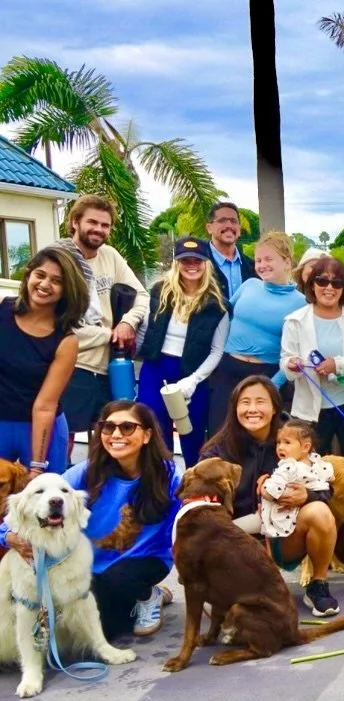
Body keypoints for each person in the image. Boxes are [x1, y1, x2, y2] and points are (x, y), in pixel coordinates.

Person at [1, 401, 180, 638]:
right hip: (87, 565)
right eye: (107, 427)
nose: (116, 435)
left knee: (107, 615)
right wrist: (8, 535)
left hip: (143, 562)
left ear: (147, 435)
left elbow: (183, 527)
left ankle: (148, 595)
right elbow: (33, 501)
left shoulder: (170, 476)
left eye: (127, 427)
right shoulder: (86, 471)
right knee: (72, 628)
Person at [199, 375, 343, 616]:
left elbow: (327, 489)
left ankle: (318, 584)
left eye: (260, 402)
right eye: (245, 403)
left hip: (282, 534)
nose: (252, 409)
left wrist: (307, 496)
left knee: (320, 511)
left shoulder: (294, 438)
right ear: (234, 407)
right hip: (236, 540)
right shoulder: (217, 451)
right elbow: (200, 507)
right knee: (226, 612)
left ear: (275, 406)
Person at [60, 195, 150, 446]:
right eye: (92, 222)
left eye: (105, 225)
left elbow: (142, 295)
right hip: (74, 365)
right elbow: (60, 325)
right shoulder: (60, 260)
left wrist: (127, 323)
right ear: (75, 222)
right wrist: (109, 335)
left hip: (110, 366)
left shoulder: (109, 256)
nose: (99, 229)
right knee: (64, 438)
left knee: (109, 439)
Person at [135, 236, 229, 466]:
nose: (191, 265)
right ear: (176, 263)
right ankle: (160, 484)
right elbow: (145, 330)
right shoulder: (159, 292)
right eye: (185, 260)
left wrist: (193, 381)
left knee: (191, 433)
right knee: (154, 429)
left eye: (197, 260)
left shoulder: (217, 305)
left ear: (206, 263)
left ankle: (192, 487)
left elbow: (216, 351)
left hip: (192, 374)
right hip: (156, 370)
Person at [206, 231, 306, 436]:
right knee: (219, 433)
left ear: (287, 262)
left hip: (266, 374)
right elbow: (223, 317)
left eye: (269, 259)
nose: (262, 265)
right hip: (228, 370)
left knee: (257, 438)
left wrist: (272, 385)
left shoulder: (301, 303)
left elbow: (297, 352)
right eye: (259, 260)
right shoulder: (249, 285)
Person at [281, 256, 344, 456]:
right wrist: (291, 364)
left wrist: (337, 364)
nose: (329, 287)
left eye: (337, 282)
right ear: (312, 285)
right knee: (310, 468)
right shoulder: (295, 321)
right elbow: (286, 360)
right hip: (312, 412)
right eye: (322, 281)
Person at [0, 247, 88, 475]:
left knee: (42, 503)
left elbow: (45, 405)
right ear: (28, 275)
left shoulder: (66, 340)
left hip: (42, 428)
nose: (45, 284)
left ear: (67, 290)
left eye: (57, 281)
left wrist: (37, 465)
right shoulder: (2, 310)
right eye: (40, 275)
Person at [259, 419, 334, 540]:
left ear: (305, 447)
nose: (280, 447)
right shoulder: (320, 465)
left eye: (287, 442)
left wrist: (263, 488)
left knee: (238, 527)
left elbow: (270, 492)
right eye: (278, 442)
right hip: (298, 523)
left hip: (281, 522)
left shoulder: (288, 466)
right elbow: (328, 482)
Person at [205, 201, 254, 298]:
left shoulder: (253, 267)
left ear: (239, 229)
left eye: (233, 221)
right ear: (209, 228)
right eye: (222, 220)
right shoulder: (197, 264)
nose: (229, 225)